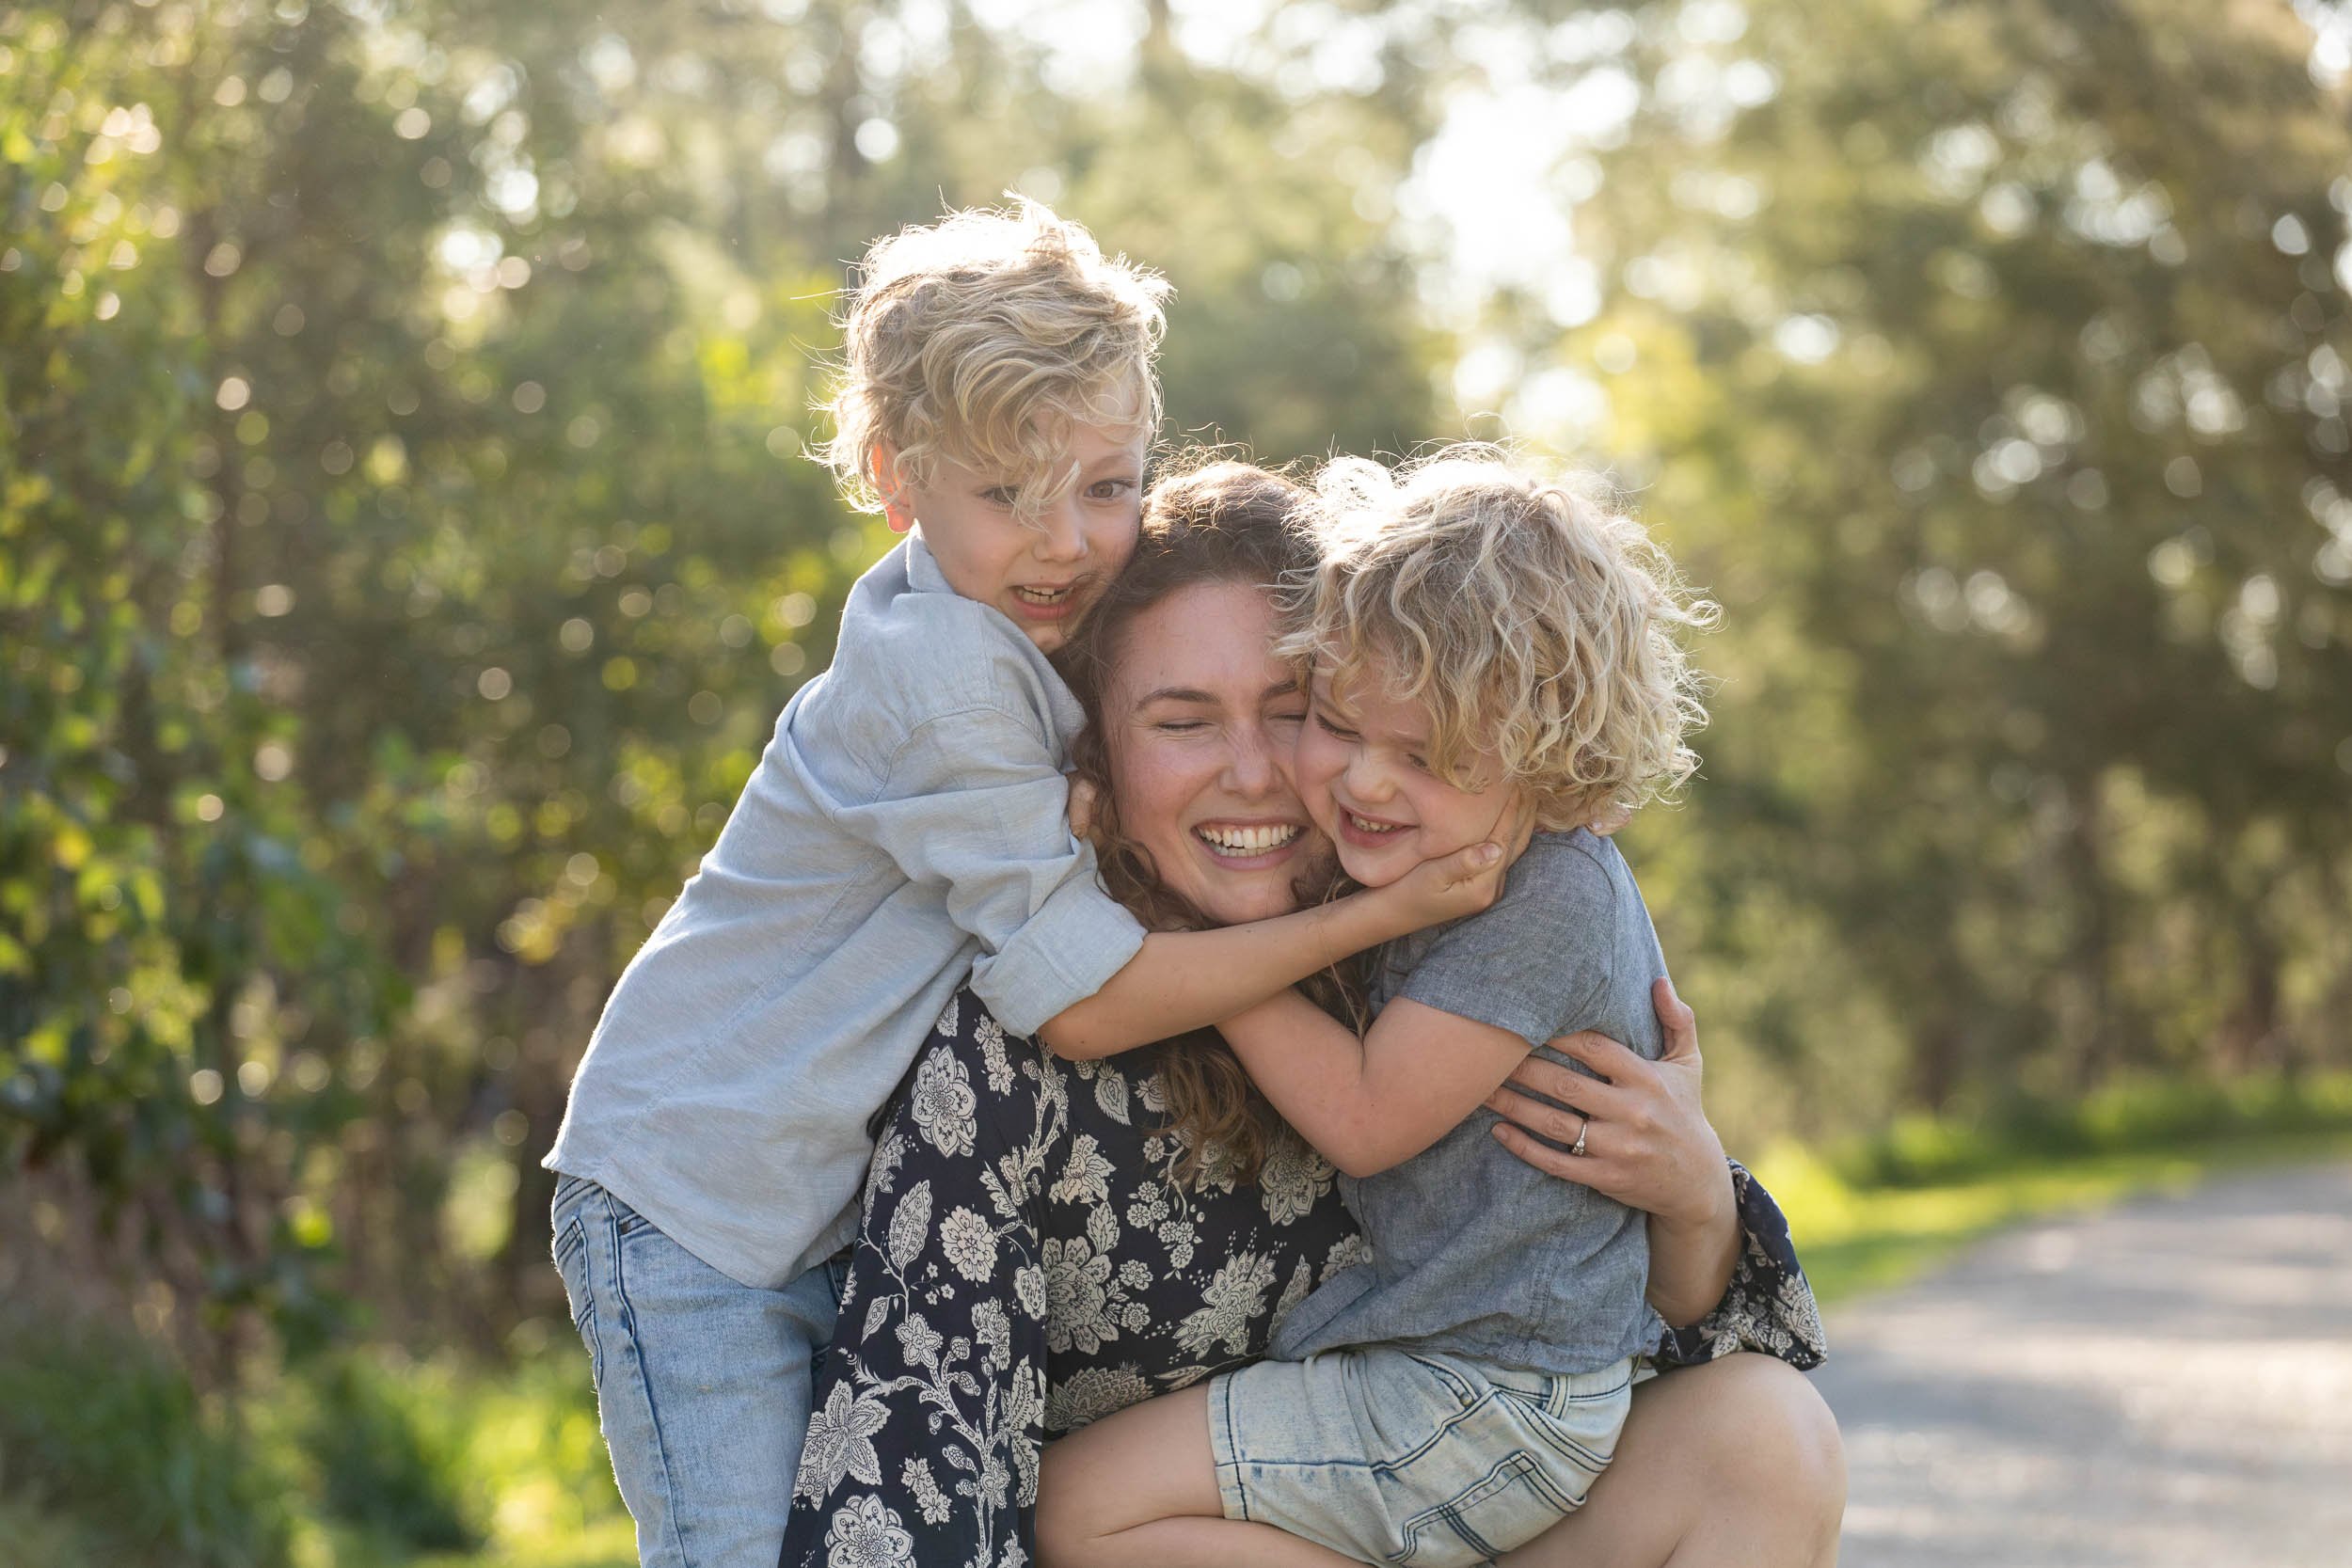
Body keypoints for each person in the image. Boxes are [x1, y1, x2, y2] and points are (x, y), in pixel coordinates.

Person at [541, 208, 1502, 1568]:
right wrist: (1374, 914)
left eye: (1107, 487)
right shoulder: (940, 674)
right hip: (695, 1197)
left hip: (806, 1196)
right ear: (896, 475)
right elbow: (1089, 1001)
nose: (1066, 542)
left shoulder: (1024, 633)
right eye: (1006, 493)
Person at [781, 461, 1836, 1568]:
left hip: (1453, 1456)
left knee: (1768, 1431)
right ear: (1092, 747)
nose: (1259, 771)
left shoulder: (1431, 915)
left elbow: (1636, 1313)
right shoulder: (1010, 1039)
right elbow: (914, 1448)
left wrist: (1693, 1193)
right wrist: (1165, 945)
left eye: (1289, 712)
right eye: (1183, 721)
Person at [1035, 448, 1722, 1568]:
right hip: (1454, 1376)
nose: (1363, 782)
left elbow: (1360, 1115)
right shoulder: (1436, 862)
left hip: (1494, 1393)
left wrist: (1198, 940)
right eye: (1341, 723)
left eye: (1426, 754)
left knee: (1083, 1510)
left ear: (1551, 767)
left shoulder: (1544, 896)